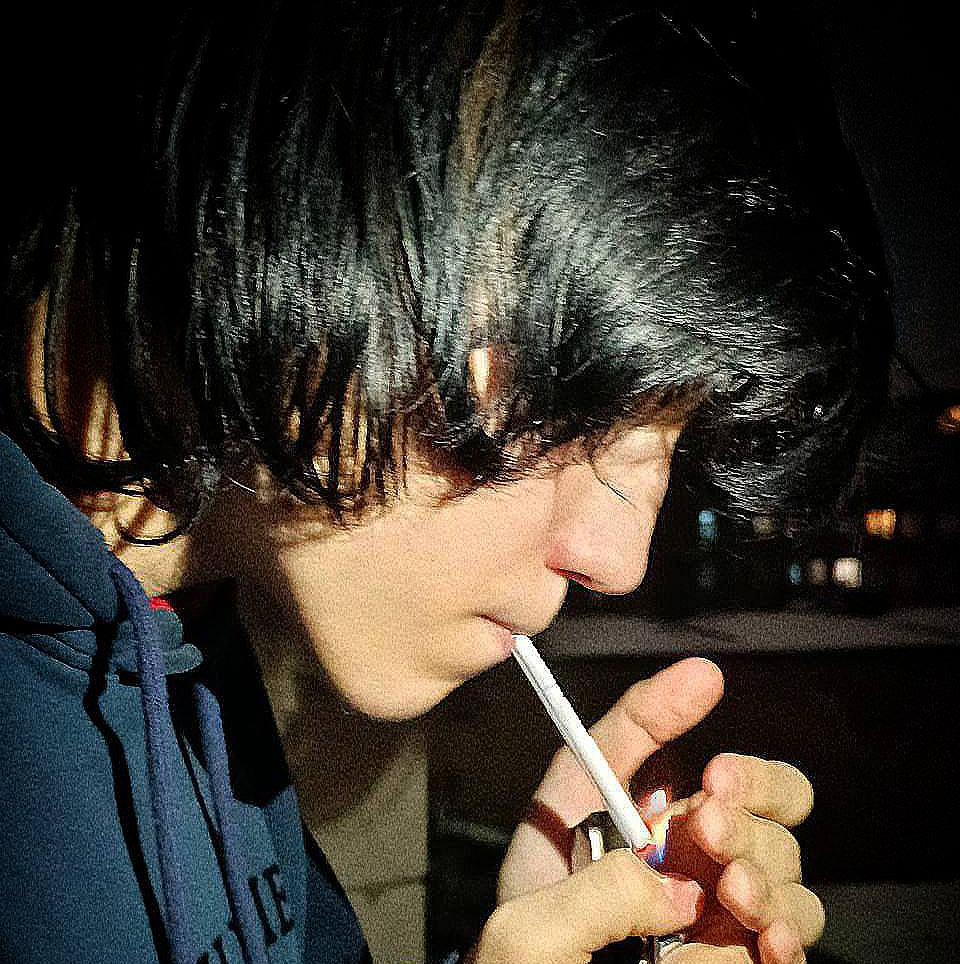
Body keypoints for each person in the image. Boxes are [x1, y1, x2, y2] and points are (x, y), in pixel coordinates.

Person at [0, 2, 885, 963]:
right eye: (579, 394)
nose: (621, 560)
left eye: (668, 439)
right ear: (313, 153)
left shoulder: (191, 635)